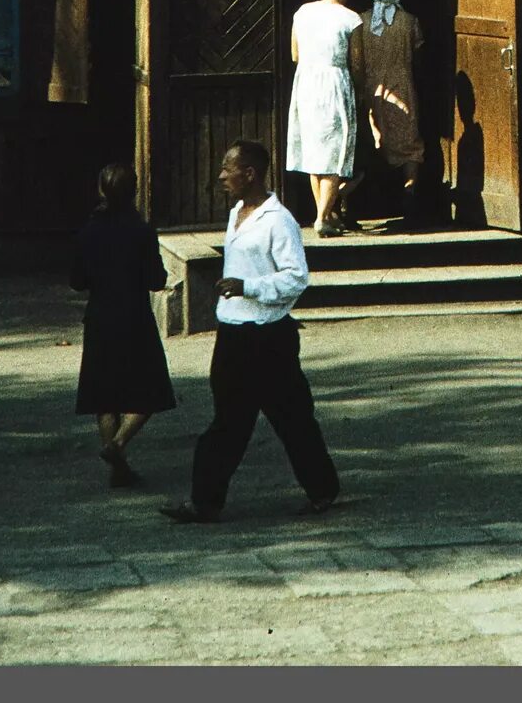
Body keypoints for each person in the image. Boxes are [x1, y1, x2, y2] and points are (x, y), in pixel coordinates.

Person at [163, 140, 338, 524]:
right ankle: (204, 501)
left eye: (229, 169)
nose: (222, 176)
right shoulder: (237, 213)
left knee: (292, 418)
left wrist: (249, 287)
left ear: (250, 174)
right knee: (227, 421)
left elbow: (296, 278)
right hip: (233, 332)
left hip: (268, 335)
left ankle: (323, 489)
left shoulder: (279, 221)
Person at [69, 162, 173, 490]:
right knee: (149, 389)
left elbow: (77, 281)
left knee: (105, 393)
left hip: (99, 317)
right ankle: (118, 444)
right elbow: (156, 280)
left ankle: (117, 465)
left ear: (101, 191)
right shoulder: (142, 231)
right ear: (134, 191)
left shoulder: (88, 232)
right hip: (134, 316)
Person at [285, 0, 364, 236]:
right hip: (334, 81)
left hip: (306, 81)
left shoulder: (303, 12)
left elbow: (295, 54)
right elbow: (356, 62)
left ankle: (326, 214)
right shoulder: (350, 18)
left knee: (315, 148)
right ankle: (322, 217)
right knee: (334, 150)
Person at [352, 0, 426, 229]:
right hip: (402, 87)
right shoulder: (409, 21)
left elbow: (357, 63)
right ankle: (410, 195)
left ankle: (355, 202)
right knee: (409, 144)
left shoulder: (361, 22)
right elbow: (417, 58)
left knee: (372, 144)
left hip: (373, 90)